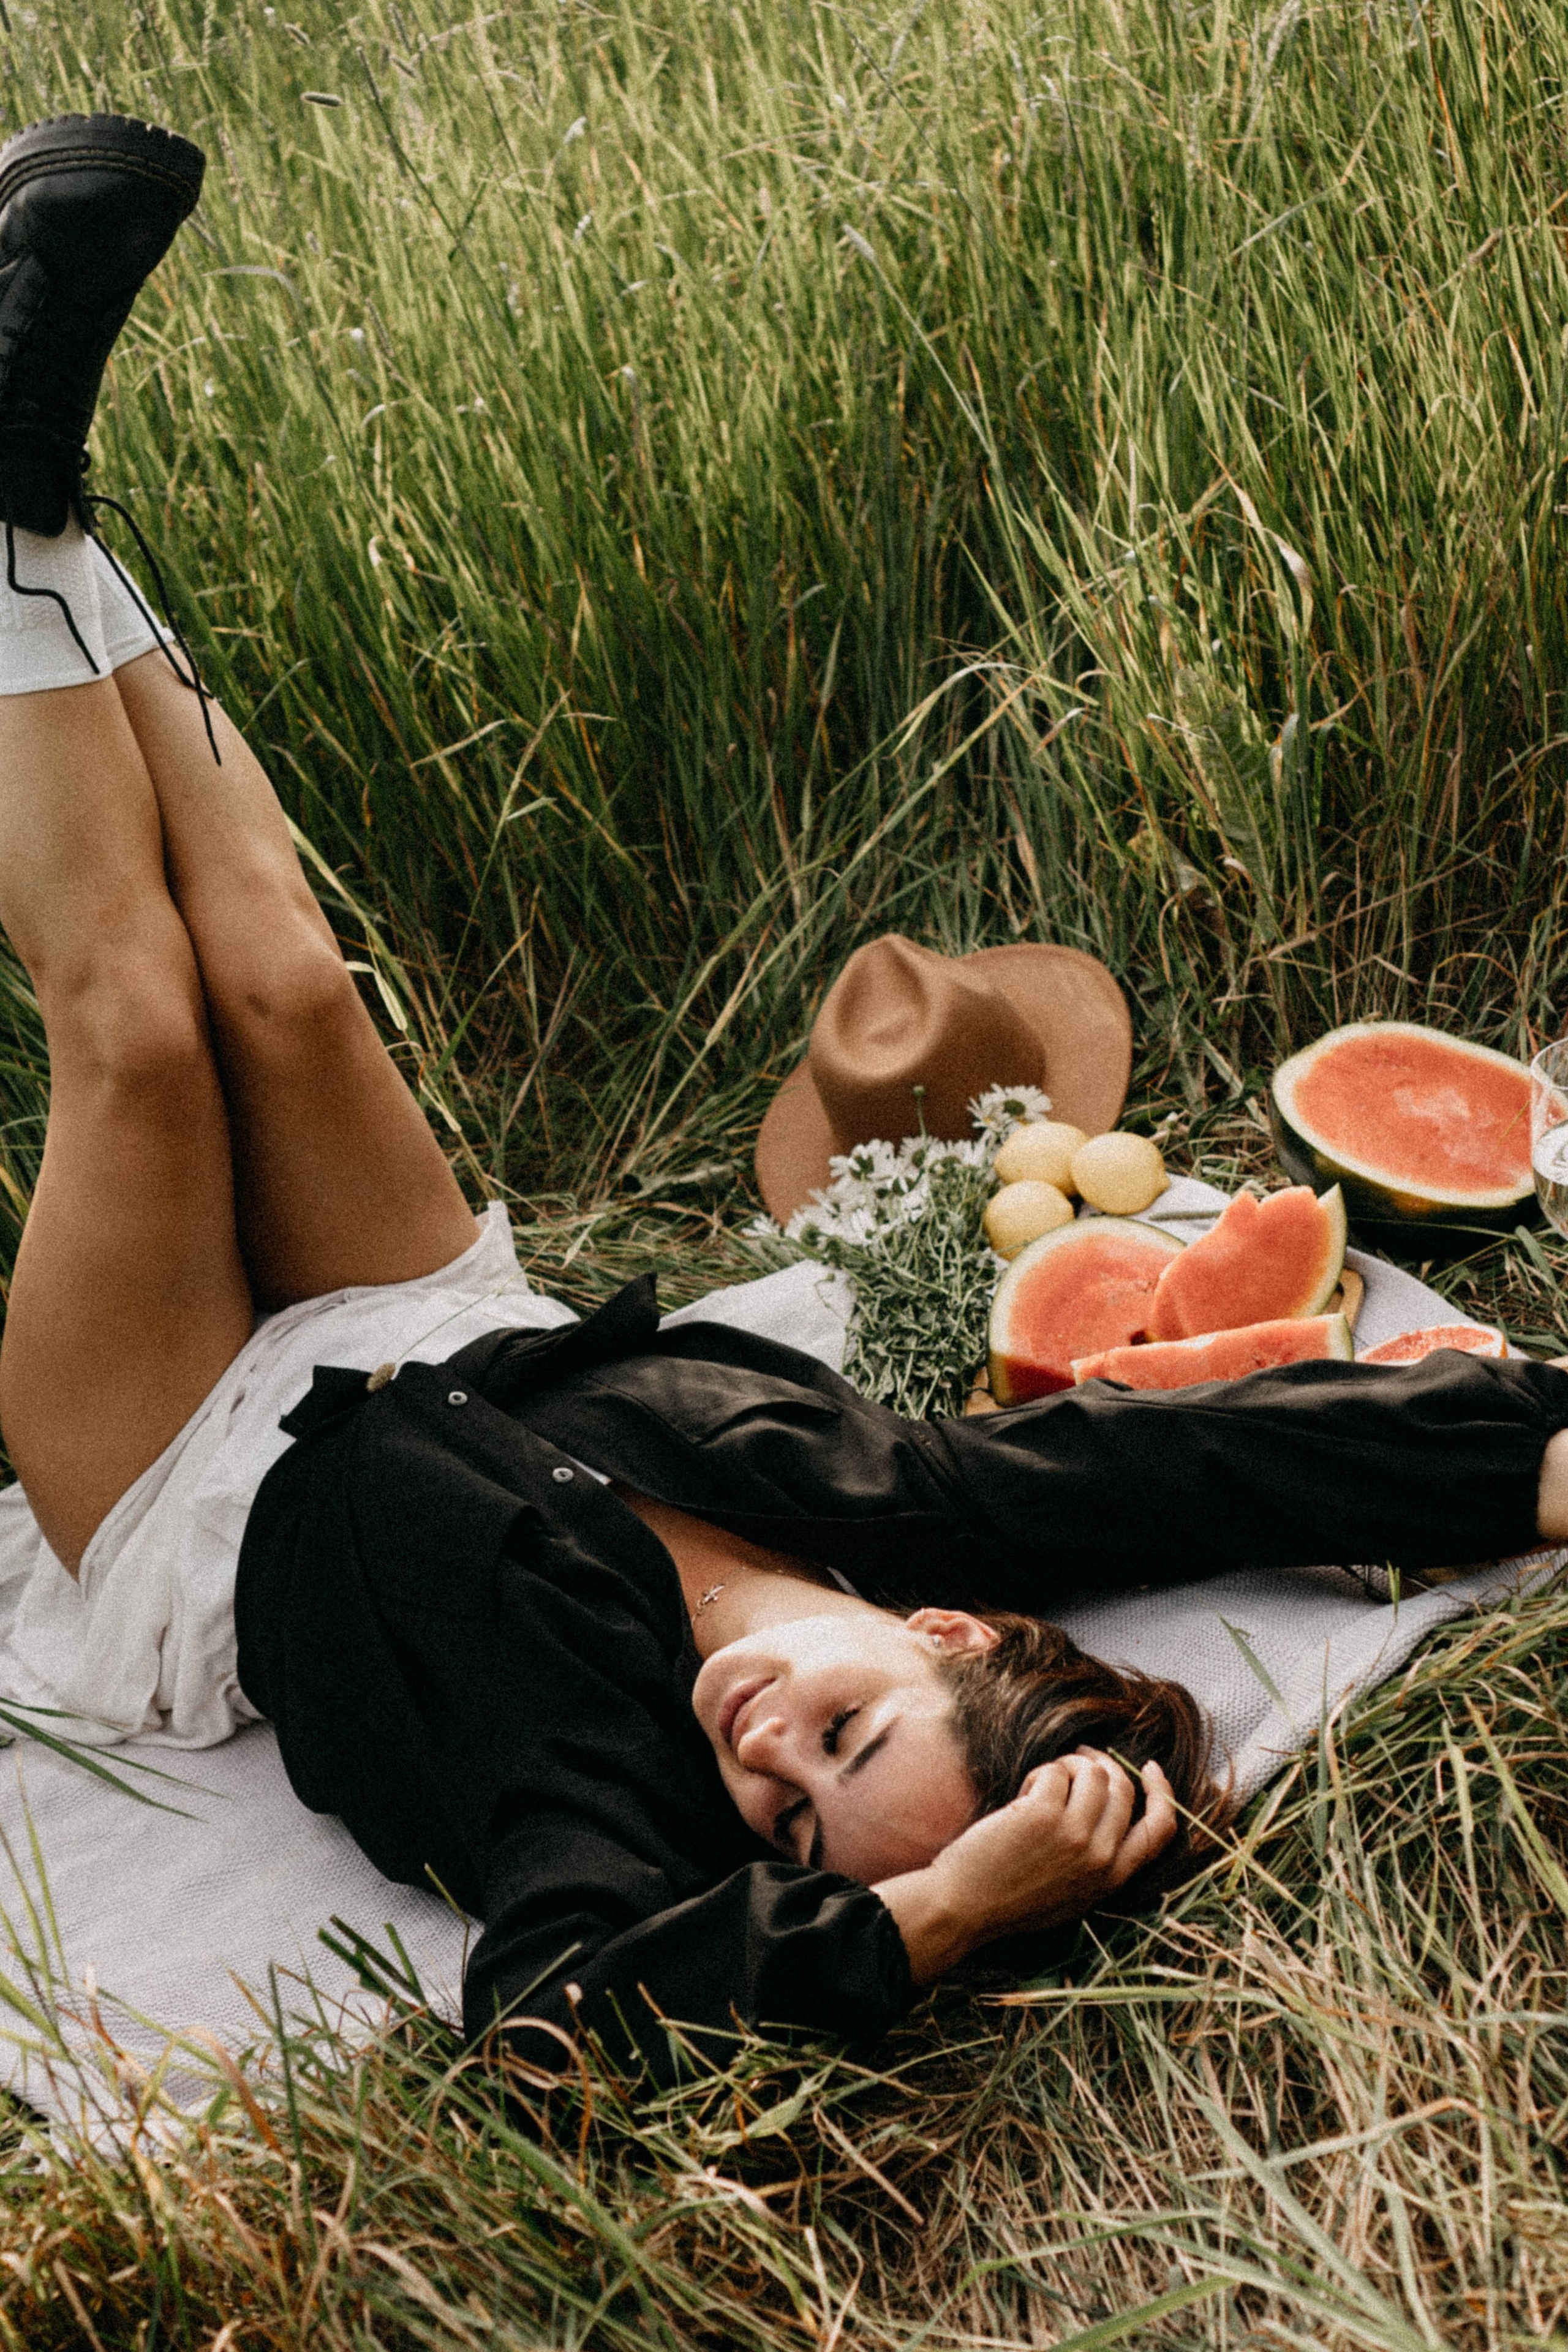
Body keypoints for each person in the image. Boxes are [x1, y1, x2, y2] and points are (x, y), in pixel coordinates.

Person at [2, 115, 1568, 2090]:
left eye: (794, 1839)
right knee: (283, 979)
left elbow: (568, 2029)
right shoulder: (900, 1498)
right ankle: (35, 498)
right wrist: (1544, 1462)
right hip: (421, 1321)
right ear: (949, 1630)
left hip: (180, 1505)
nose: (762, 1758)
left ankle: (6, 484)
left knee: (138, 1028)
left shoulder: (591, 1766)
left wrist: (950, 1908)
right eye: (844, 1741)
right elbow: (1231, 1467)